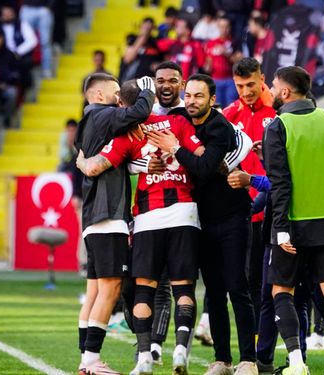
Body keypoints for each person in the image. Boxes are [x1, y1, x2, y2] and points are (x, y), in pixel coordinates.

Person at [77, 79, 206, 375]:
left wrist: (82, 162)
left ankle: (139, 357)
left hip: (140, 218)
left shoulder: (122, 134)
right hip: (177, 214)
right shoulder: (176, 122)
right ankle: (179, 353)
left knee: (137, 290)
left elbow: (97, 165)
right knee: (180, 287)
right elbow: (202, 160)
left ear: (123, 103)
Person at [148, 74, 258, 375]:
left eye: (200, 96)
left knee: (237, 286)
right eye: (191, 95)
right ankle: (222, 360)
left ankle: (249, 359)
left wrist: (175, 148)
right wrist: (156, 160)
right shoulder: (179, 118)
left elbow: (206, 169)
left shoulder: (219, 126)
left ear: (212, 100)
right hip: (201, 221)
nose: (193, 101)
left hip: (233, 216)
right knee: (214, 290)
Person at [264, 66, 324, 375]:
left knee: (281, 292)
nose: (271, 90)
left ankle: (296, 363)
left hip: (292, 226)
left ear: (286, 92)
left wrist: (279, 229)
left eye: (273, 86)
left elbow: (280, 184)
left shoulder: (278, 126)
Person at [74, 73, 155, 375]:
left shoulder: (87, 121)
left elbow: (82, 157)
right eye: (115, 92)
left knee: (94, 291)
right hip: (109, 216)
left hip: (93, 217)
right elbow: (140, 112)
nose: (119, 98)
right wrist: (147, 89)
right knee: (110, 289)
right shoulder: (104, 114)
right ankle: (92, 360)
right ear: (97, 95)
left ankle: (85, 358)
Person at [222, 57, 275, 328]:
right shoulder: (229, 115)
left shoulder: (279, 110)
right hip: (247, 211)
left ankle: (314, 333)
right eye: (240, 86)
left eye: (251, 84)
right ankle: (256, 341)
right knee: (250, 277)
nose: (246, 91)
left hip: (278, 206)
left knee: (290, 278)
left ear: (262, 79)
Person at [205, 17, 238, 107]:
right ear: (218, 27)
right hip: (216, 80)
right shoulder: (211, 43)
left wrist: (225, 53)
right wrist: (207, 66)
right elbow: (208, 64)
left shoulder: (234, 42)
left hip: (230, 80)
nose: (224, 30)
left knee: (231, 107)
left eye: (226, 27)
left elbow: (238, 62)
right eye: (222, 27)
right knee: (217, 107)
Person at [19, 0, 54, 78]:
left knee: (45, 42)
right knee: (24, 41)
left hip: (43, 9)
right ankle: (26, 69)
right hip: (27, 8)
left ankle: (46, 69)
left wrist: (49, 6)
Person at [119, 18, 160, 82]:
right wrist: (142, 38)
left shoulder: (155, 42)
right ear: (141, 26)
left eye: (149, 28)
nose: (147, 30)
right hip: (132, 81)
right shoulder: (133, 39)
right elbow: (128, 59)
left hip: (149, 81)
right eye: (145, 27)